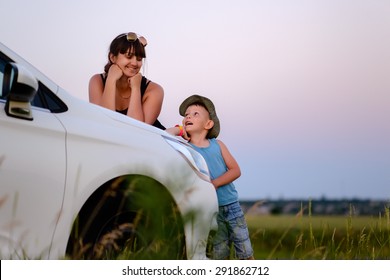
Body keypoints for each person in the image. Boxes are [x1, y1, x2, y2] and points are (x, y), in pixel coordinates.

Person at [166, 94, 254, 260]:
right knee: (219, 254)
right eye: (186, 115)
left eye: (195, 114)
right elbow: (164, 135)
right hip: (209, 210)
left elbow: (235, 170)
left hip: (231, 206)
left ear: (208, 124)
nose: (188, 117)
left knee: (245, 251)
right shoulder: (185, 148)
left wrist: (214, 184)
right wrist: (179, 129)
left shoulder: (217, 145)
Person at [89, 32, 165, 129]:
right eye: (129, 56)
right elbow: (103, 125)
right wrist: (111, 80)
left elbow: (136, 130)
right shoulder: (97, 81)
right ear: (112, 57)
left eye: (139, 58)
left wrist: (136, 88)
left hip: (149, 143)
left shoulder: (154, 90)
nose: (134, 63)